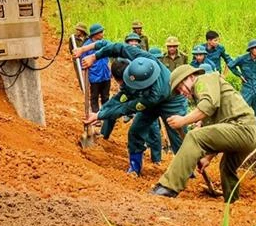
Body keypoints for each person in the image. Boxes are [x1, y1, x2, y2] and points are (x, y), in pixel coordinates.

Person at [74, 42, 188, 176]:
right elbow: (118, 48)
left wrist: (99, 116)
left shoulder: (155, 94)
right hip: (148, 97)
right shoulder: (141, 57)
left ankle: (187, 171)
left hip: (171, 101)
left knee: (177, 136)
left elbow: (125, 107)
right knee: (135, 131)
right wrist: (95, 56)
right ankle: (135, 168)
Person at [151, 65, 256, 202]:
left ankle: (168, 187)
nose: (182, 92)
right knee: (227, 168)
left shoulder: (202, 80)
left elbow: (208, 106)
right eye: (179, 91)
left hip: (242, 128)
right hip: (247, 134)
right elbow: (217, 130)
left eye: (181, 87)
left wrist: (182, 121)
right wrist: (207, 158)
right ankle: (232, 201)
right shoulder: (205, 94)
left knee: (194, 137)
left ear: (191, 77)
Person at [228, 39, 256, 127]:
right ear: (251, 50)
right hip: (247, 88)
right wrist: (239, 75)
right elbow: (231, 65)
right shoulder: (242, 59)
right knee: (242, 110)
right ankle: (240, 129)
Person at [81, 24, 111, 116]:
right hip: (94, 76)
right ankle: (95, 115)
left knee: (105, 96)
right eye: (100, 32)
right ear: (95, 34)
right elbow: (83, 63)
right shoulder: (86, 46)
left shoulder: (104, 43)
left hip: (105, 75)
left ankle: (105, 114)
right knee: (94, 97)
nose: (102, 34)